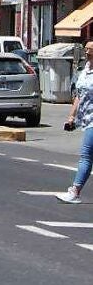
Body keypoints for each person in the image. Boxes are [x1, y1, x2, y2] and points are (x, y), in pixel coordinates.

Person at [56, 41, 93, 203]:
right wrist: (71, 117)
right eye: (86, 49)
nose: (87, 52)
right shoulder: (85, 70)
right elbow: (79, 96)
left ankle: (75, 191)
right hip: (86, 120)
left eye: (90, 50)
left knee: (86, 156)